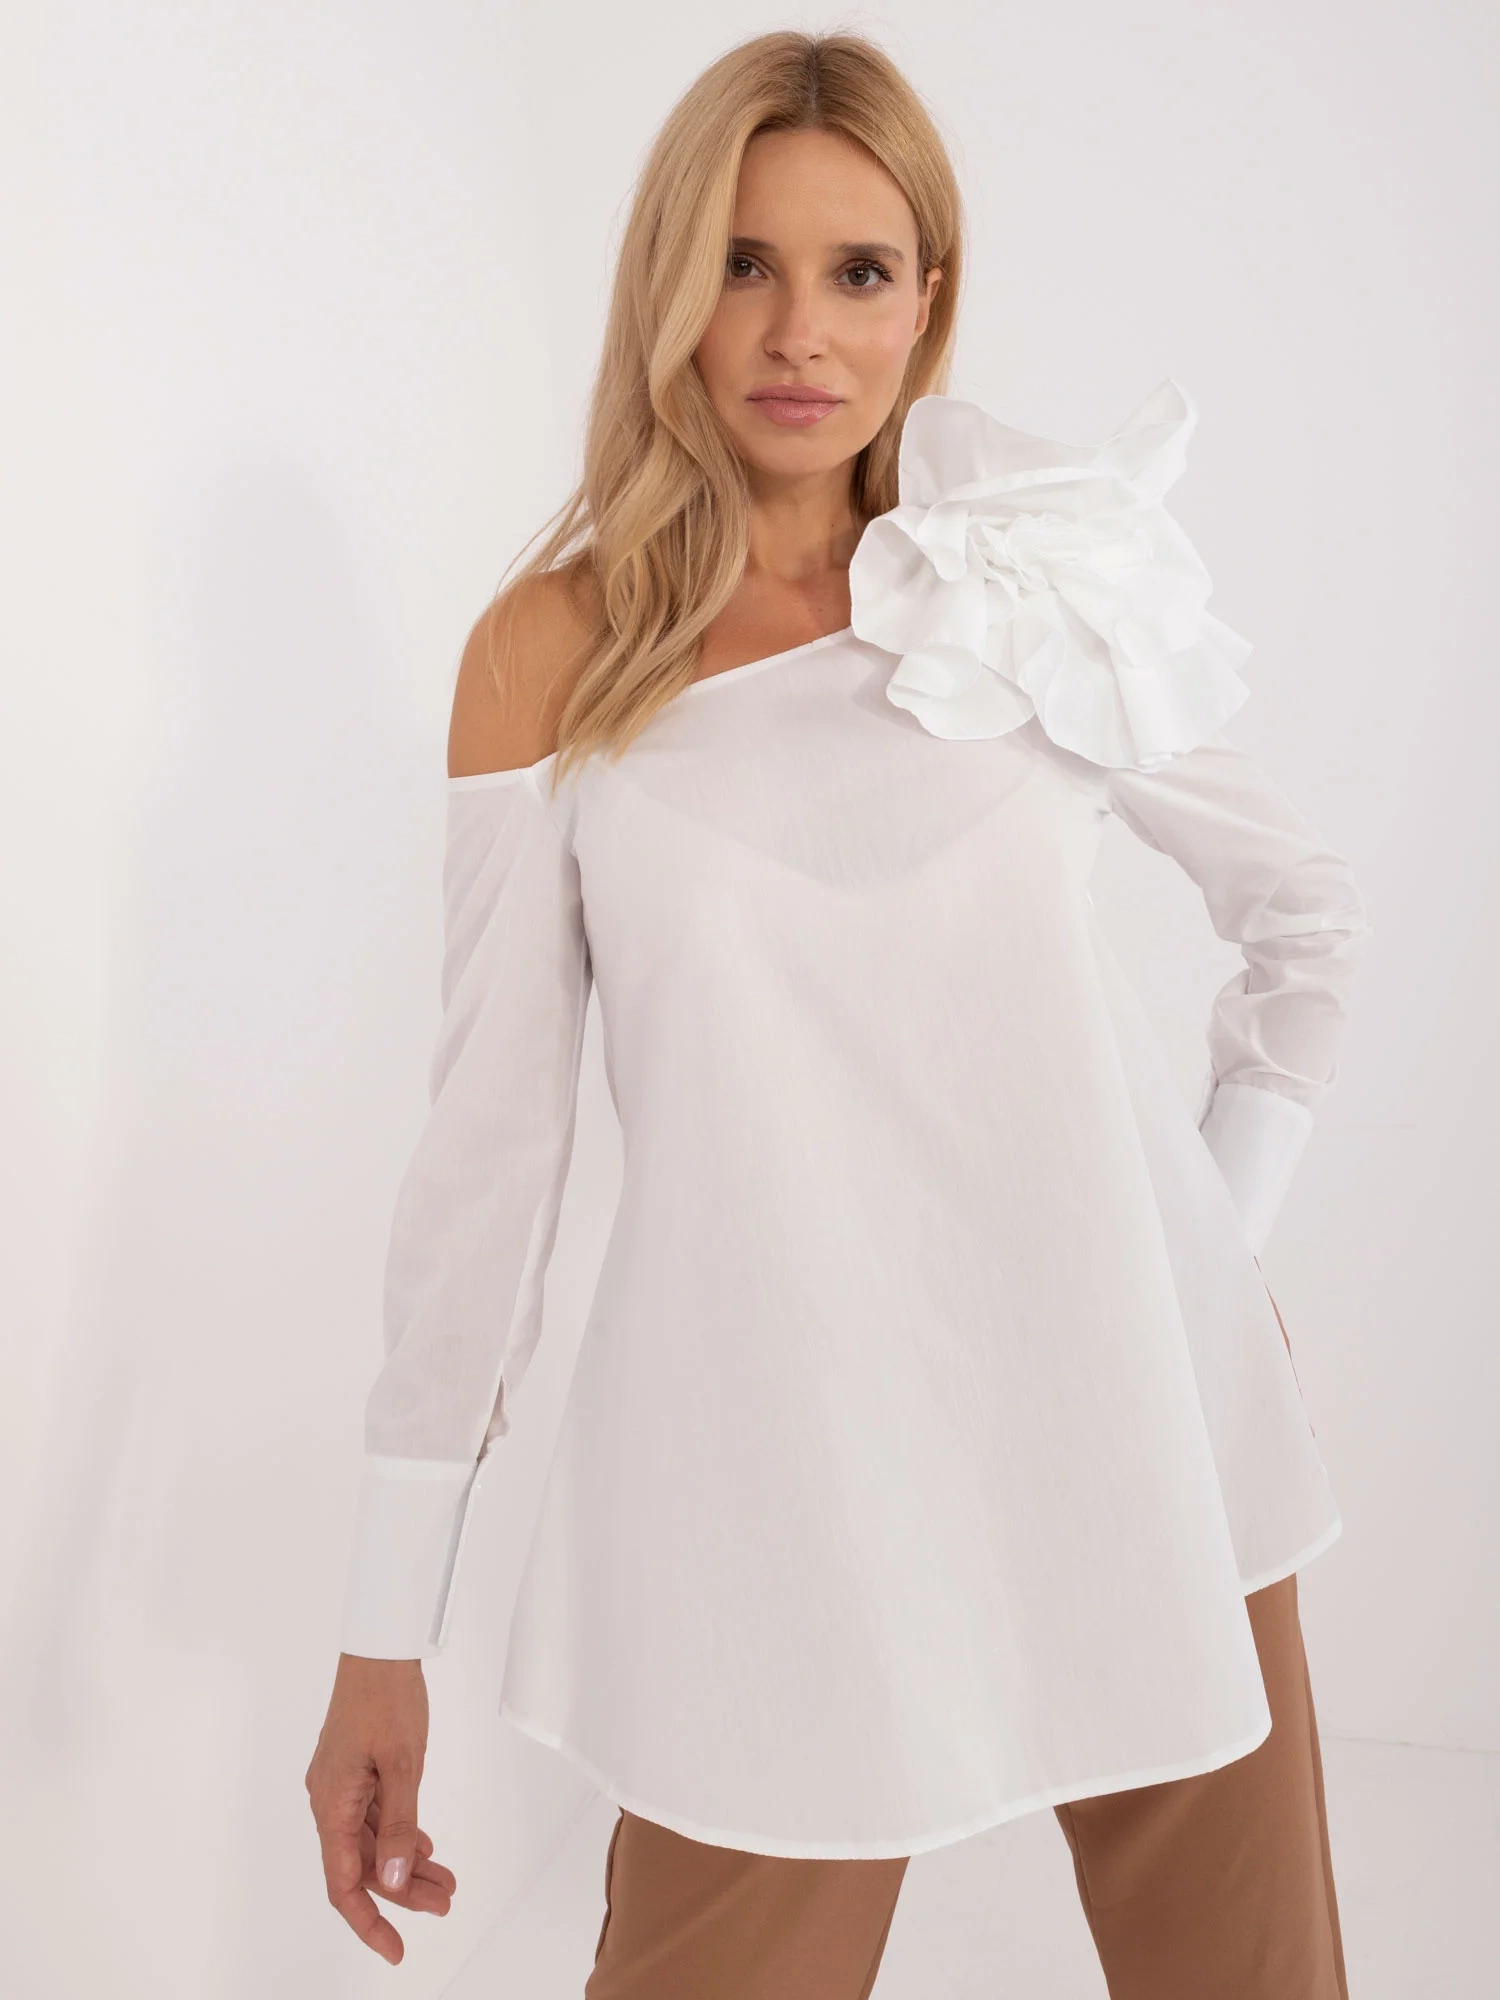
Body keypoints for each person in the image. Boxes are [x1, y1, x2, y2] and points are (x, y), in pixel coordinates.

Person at [304, 30, 1369, 1998]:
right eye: (742, 263)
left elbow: (1303, 916)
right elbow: (488, 1170)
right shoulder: (557, 651)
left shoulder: (1023, 586)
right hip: (774, 1486)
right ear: (669, 290)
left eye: (858, 270)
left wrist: (1207, 1251)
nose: (799, 330)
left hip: (1143, 1430)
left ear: (927, 302)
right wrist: (388, 1624)